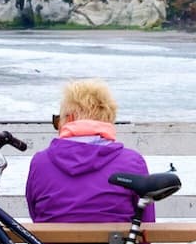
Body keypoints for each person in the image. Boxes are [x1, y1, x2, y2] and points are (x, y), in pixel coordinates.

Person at [25, 79, 154, 224]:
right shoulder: (132, 162)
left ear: (70, 118)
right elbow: (146, 229)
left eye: (58, 120)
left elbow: (35, 215)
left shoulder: (41, 163)